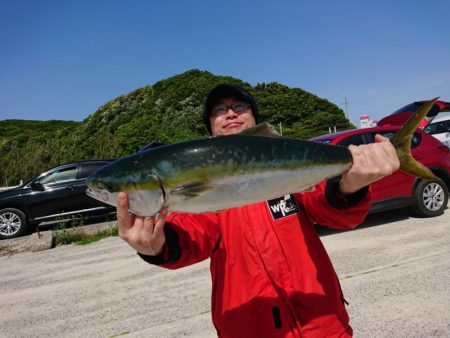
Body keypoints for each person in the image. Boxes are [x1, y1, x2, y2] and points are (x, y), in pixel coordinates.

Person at [116, 84, 400, 338]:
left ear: (255, 119)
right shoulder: (204, 189)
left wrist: (351, 187)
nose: (230, 113)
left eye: (239, 106)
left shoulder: (287, 162)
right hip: (248, 328)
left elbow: (328, 209)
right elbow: (191, 235)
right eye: (219, 110)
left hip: (322, 322)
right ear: (210, 128)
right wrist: (157, 246)